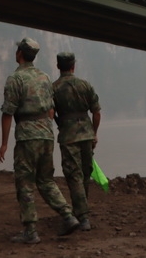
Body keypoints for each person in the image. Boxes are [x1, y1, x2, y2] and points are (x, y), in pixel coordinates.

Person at [0, 37, 80, 244]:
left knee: (25, 182)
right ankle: (68, 216)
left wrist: (4, 144)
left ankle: (30, 231)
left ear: (19, 55)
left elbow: (8, 113)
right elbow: (51, 110)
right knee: (46, 180)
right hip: (46, 135)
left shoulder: (15, 79)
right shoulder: (44, 77)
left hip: (27, 136)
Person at [52, 51, 102, 231]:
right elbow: (96, 112)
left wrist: (60, 123)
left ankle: (82, 216)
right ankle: (82, 210)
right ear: (74, 65)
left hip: (68, 136)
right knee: (85, 172)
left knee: (74, 175)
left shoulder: (54, 88)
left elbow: (51, 114)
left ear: (58, 66)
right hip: (87, 134)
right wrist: (94, 133)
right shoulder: (85, 85)